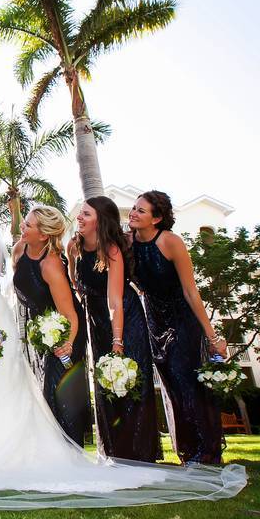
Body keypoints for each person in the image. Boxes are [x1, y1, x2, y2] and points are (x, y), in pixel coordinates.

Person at [0, 196, 246, 510]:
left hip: (18, 327)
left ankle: (134, 451)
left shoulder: (35, 258)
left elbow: (26, 296)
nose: (22, 228)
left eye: (28, 224)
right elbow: (14, 290)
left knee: (38, 393)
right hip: (5, 324)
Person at [129, 190, 226, 464]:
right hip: (153, 319)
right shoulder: (129, 242)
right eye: (134, 208)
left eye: (141, 211)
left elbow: (190, 291)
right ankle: (186, 450)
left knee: (186, 380)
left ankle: (205, 451)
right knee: (170, 382)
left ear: (157, 218)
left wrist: (211, 336)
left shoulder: (171, 242)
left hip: (182, 319)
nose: (133, 213)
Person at [68, 196, 161, 462]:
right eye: (81, 213)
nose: (80, 217)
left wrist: (118, 341)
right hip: (96, 320)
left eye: (86, 214)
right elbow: (77, 282)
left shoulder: (111, 250)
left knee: (130, 381)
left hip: (124, 318)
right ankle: (112, 451)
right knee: (105, 384)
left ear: (100, 220)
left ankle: (139, 452)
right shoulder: (73, 246)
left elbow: (115, 300)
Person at [12, 206, 90, 447]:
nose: (22, 227)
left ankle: (69, 451)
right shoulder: (20, 249)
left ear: (43, 235)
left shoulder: (51, 265)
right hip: (42, 329)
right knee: (42, 387)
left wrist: (67, 345)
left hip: (67, 331)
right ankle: (46, 448)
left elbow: (70, 315)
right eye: (24, 222)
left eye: (28, 225)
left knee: (59, 392)